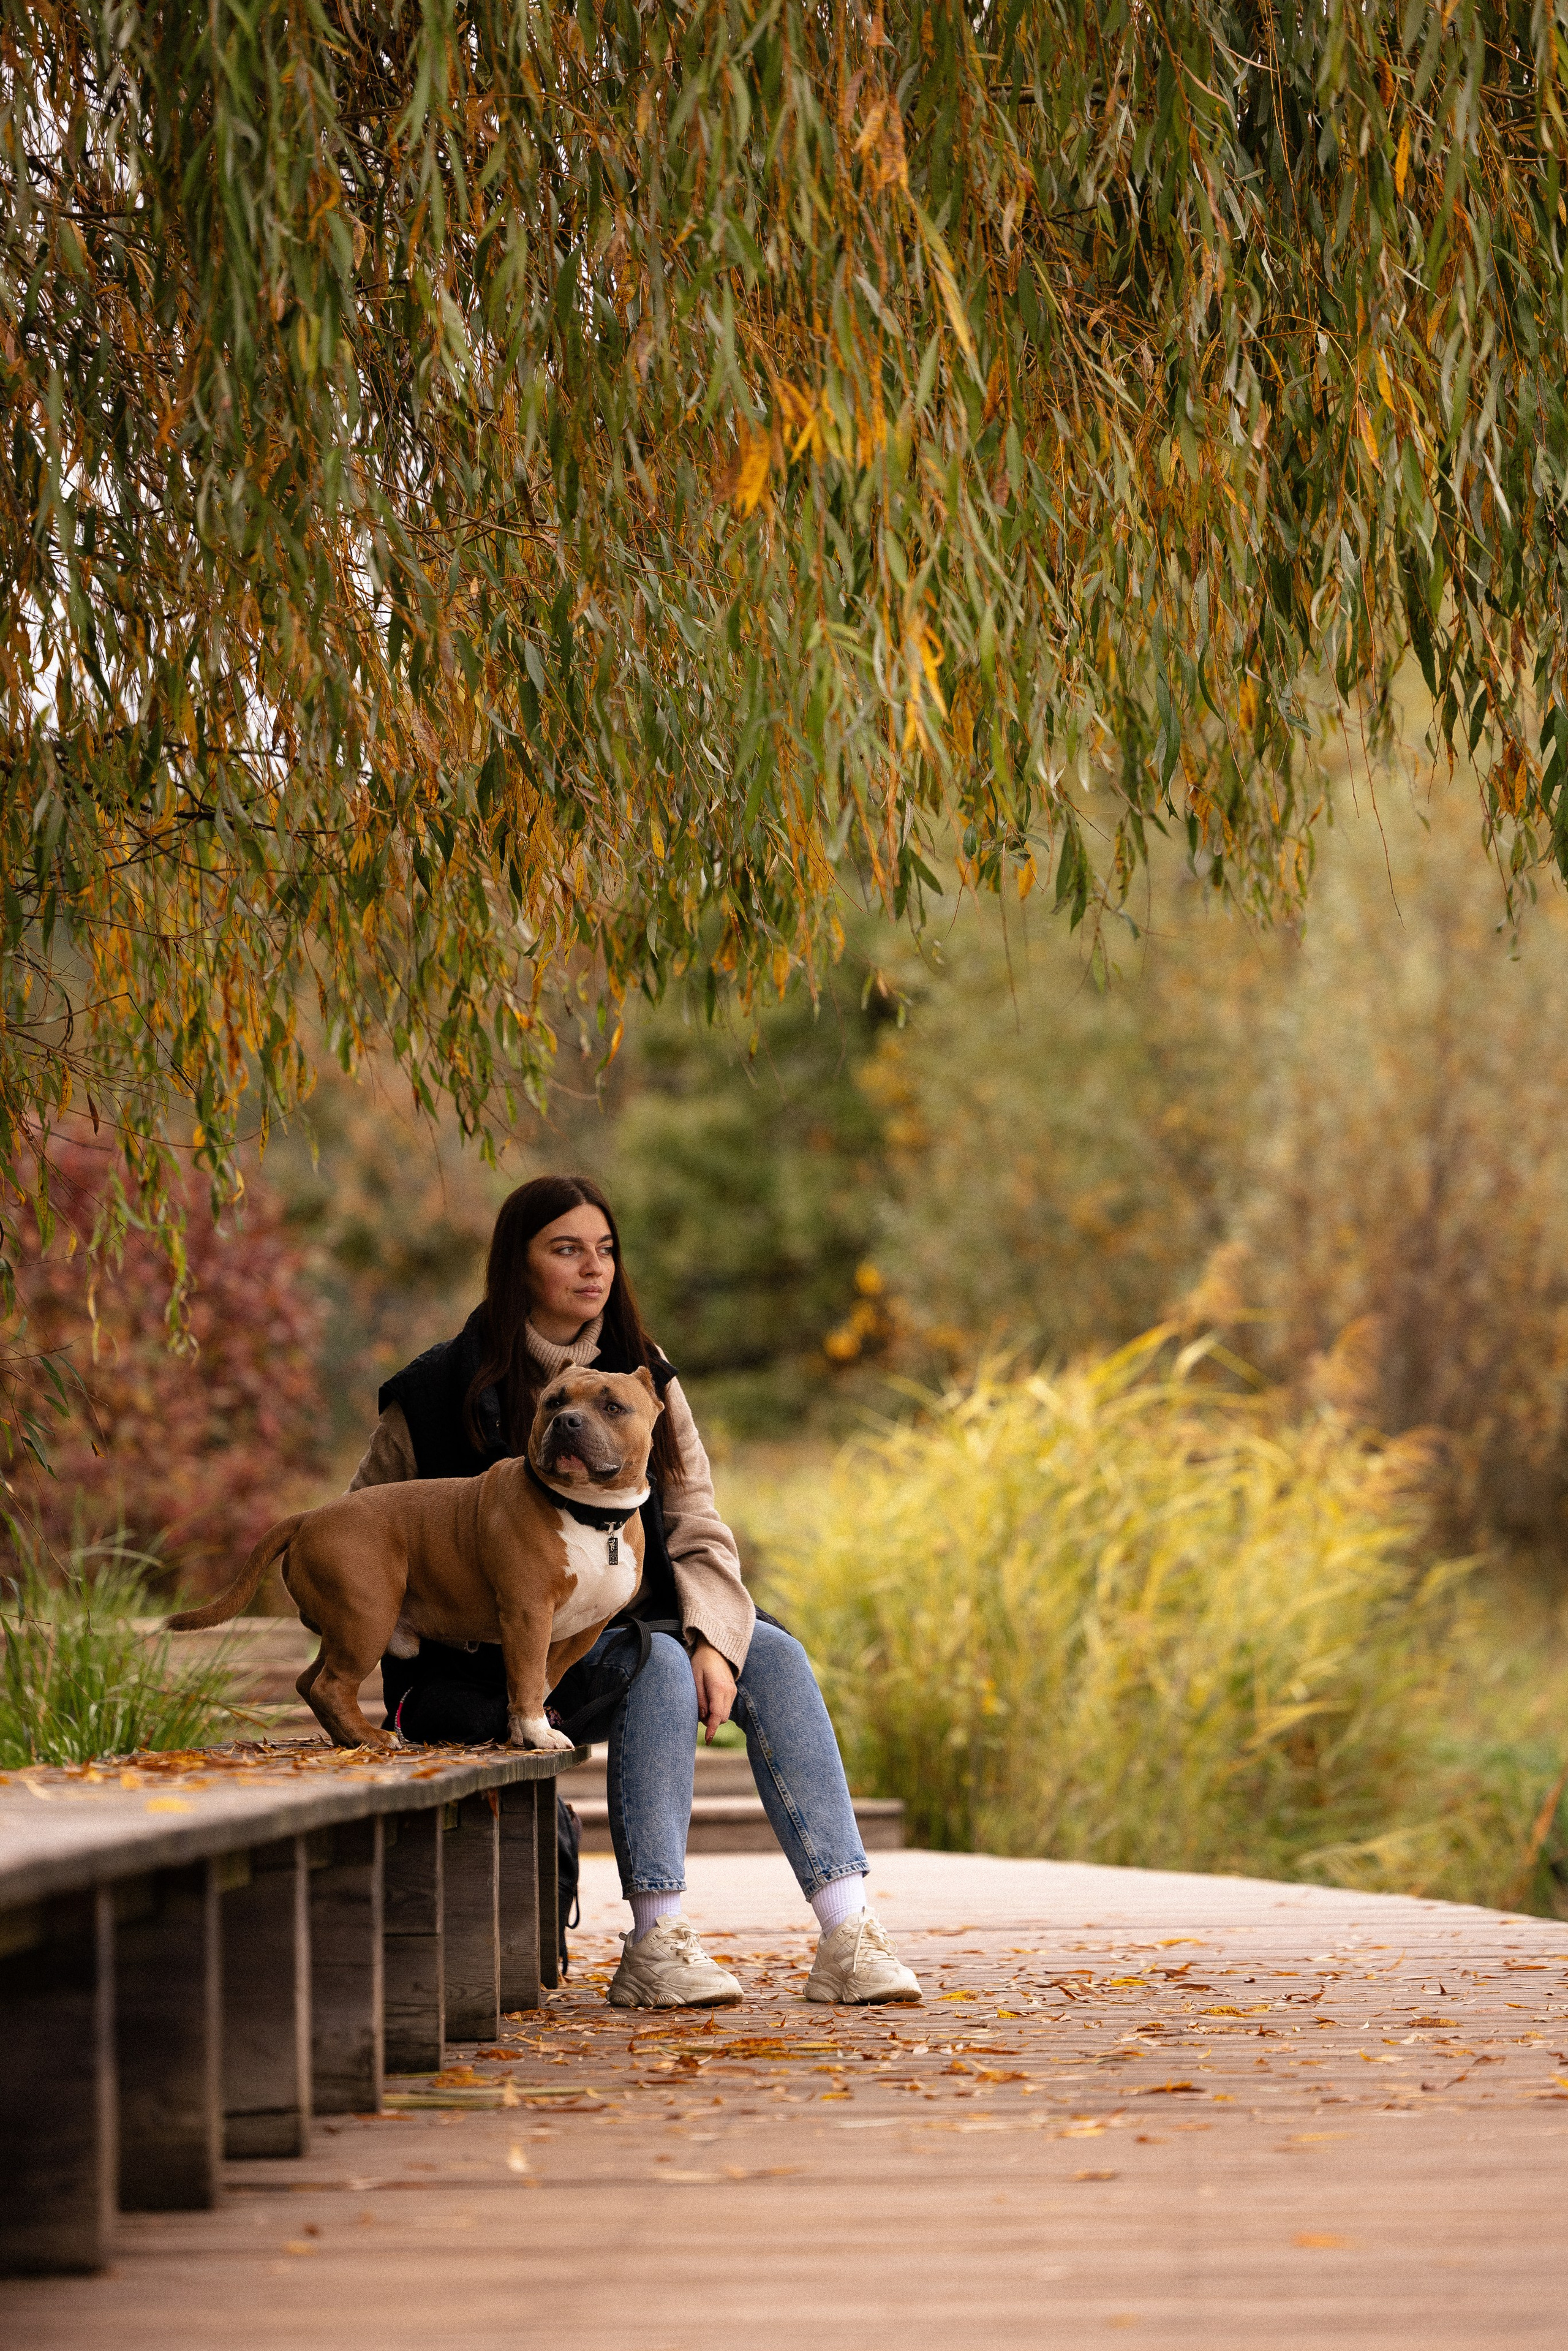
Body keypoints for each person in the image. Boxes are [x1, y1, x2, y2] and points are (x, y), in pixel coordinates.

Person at [349, 1173, 922, 2010]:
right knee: (653, 1659)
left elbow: (695, 1519)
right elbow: (359, 1525)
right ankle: (657, 1936)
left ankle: (848, 1928)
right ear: (519, 1266)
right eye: (567, 1249)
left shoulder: (649, 1379)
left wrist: (715, 1640)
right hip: (477, 1670)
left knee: (771, 1650)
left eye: (606, 1249)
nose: (594, 1269)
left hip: (616, 1624)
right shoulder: (437, 1388)